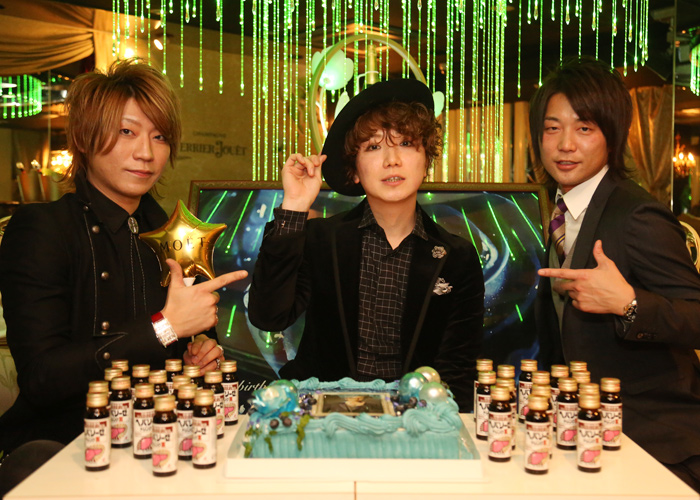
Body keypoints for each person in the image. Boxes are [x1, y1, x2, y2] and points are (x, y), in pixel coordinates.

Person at [0, 59, 247, 461]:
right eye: (126, 132)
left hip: (162, 443)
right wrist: (165, 328)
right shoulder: (43, 229)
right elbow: (42, 377)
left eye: (160, 136)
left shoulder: (175, 233)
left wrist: (200, 355)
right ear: (84, 137)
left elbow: (192, 339)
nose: (146, 153)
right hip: (64, 449)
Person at [248, 79, 484, 411]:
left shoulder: (457, 257)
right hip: (322, 417)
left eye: (406, 143)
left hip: (415, 422)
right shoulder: (321, 239)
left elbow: (457, 369)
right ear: (354, 170)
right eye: (373, 147)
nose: (392, 159)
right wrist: (294, 208)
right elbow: (268, 316)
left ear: (426, 160)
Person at [532, 57, 700, 492]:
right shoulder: (560, 210)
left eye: (585, 128)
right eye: (552, 128)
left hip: (656, 440)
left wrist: (628, 304)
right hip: (592, 436)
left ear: (612, 135)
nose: (565, 145)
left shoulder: (636, 214)